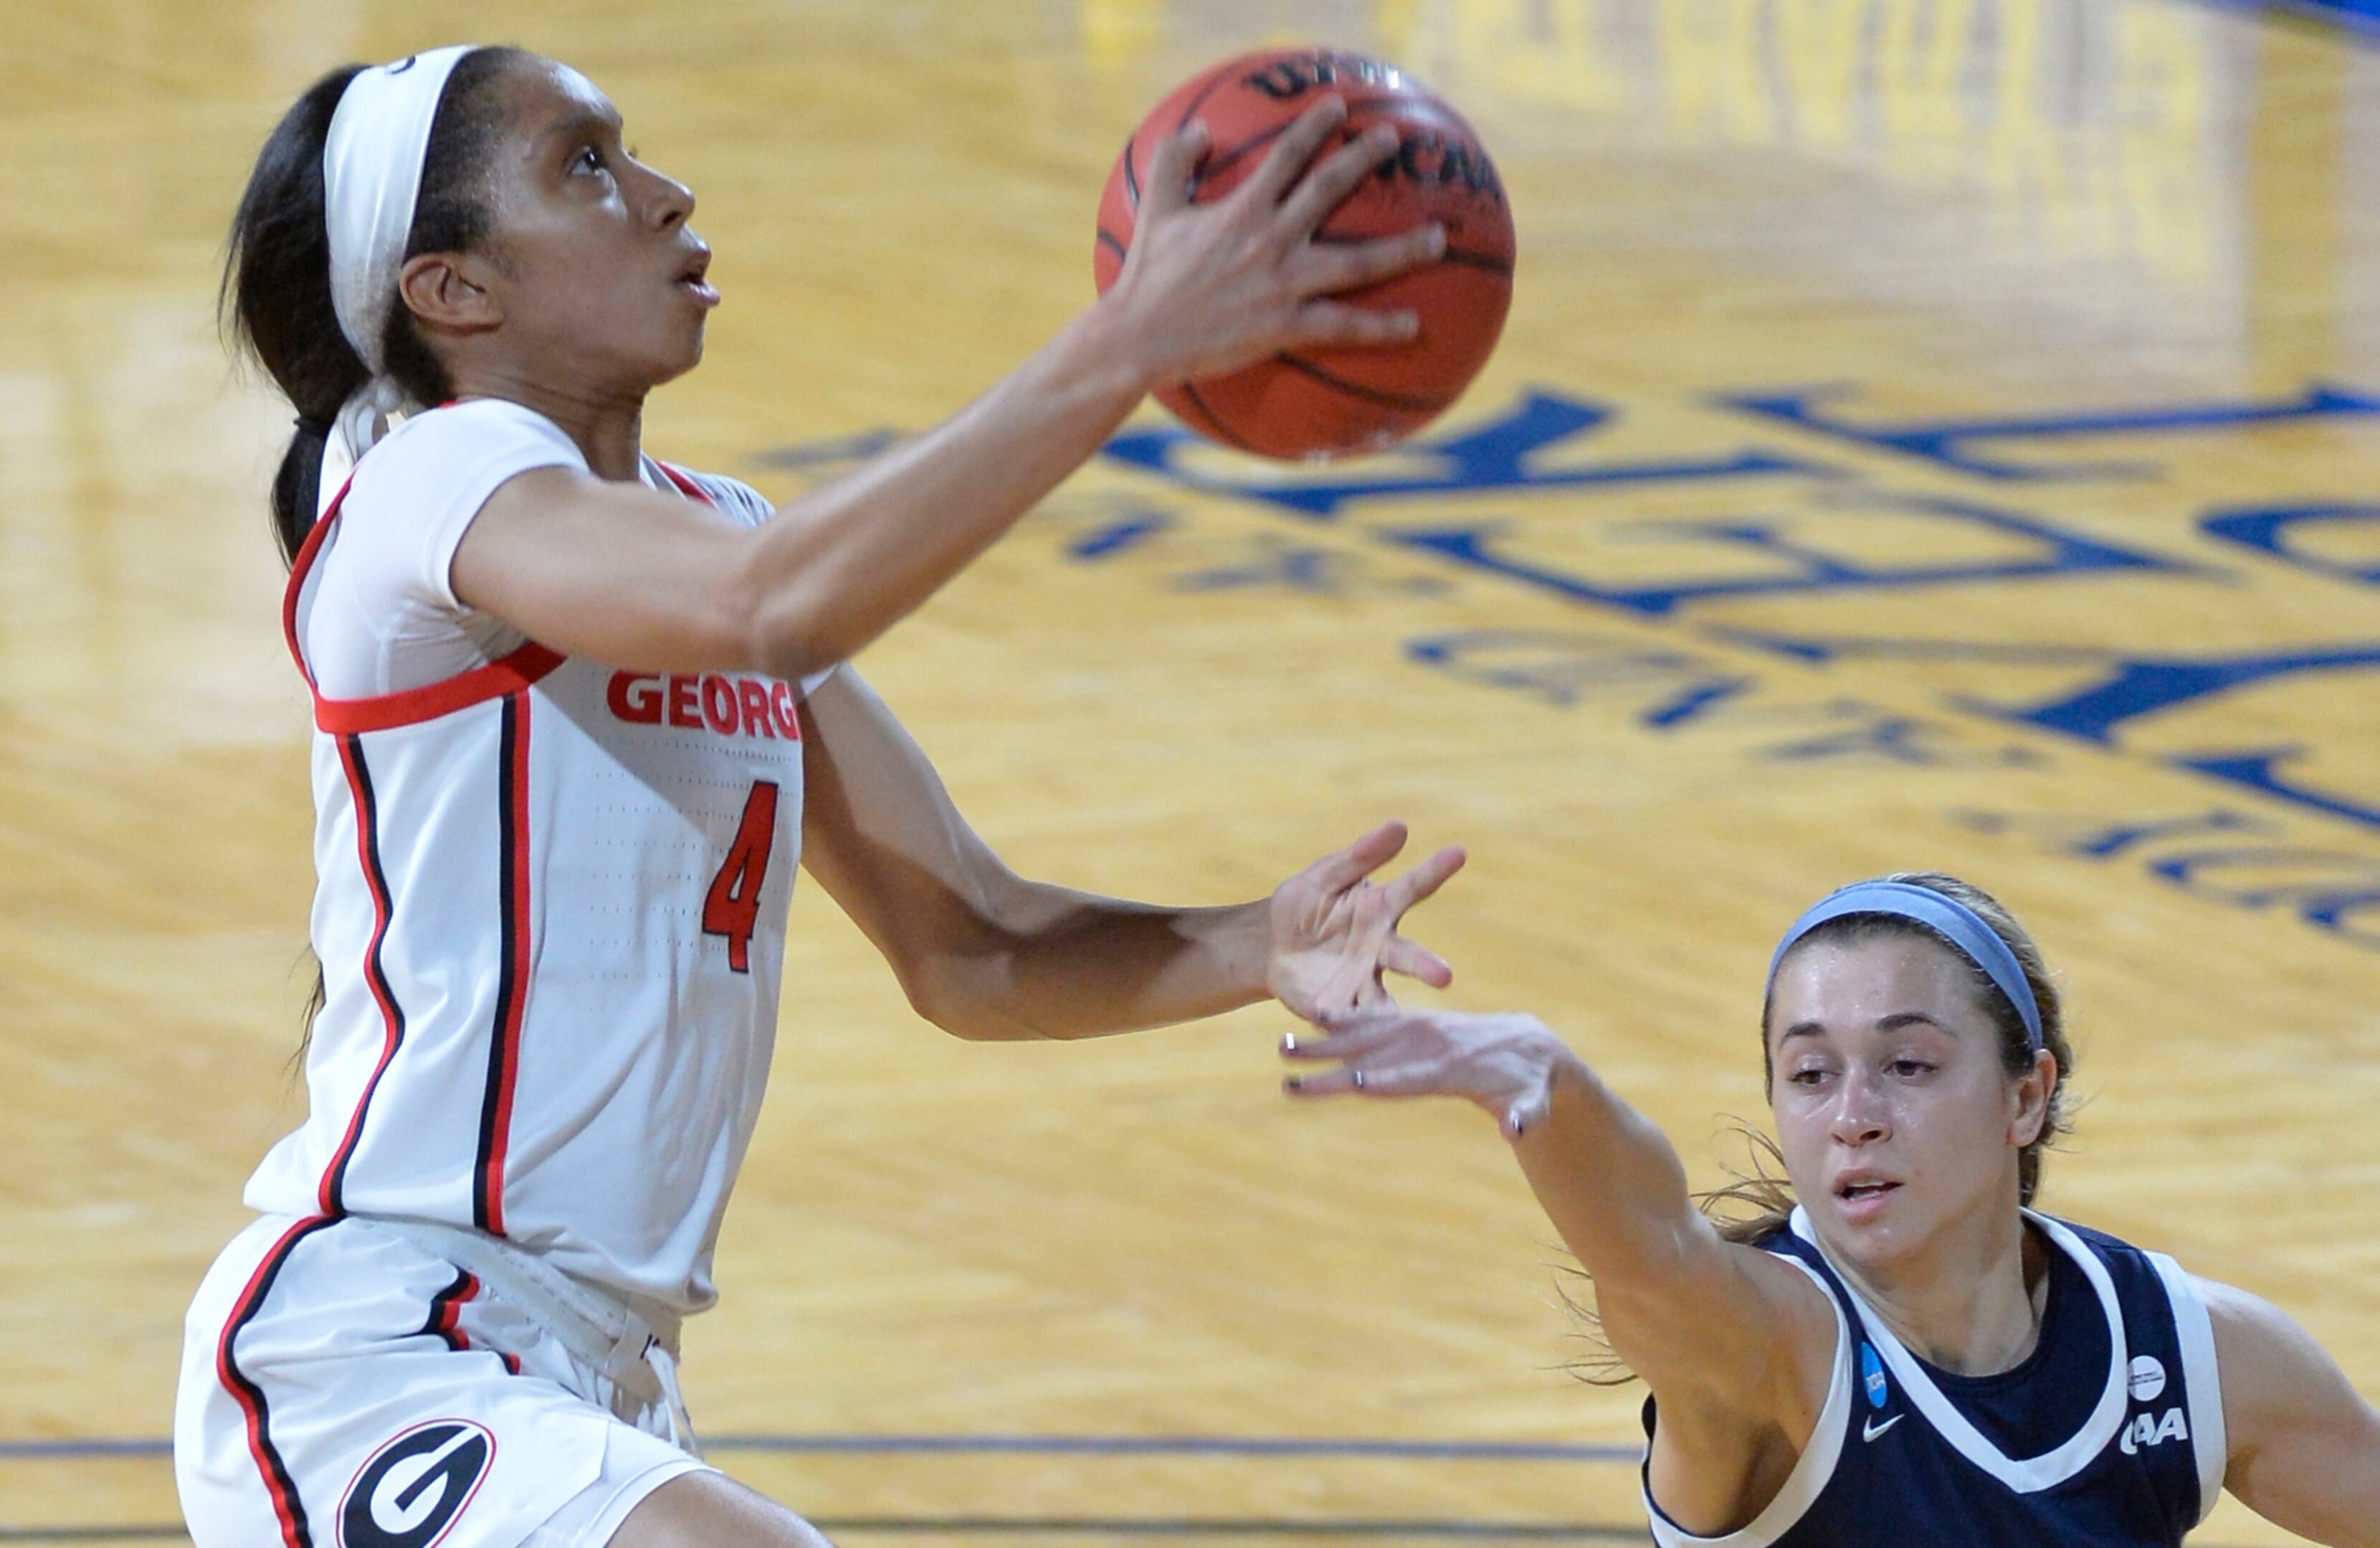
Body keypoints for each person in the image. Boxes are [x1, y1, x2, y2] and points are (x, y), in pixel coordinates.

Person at [178, 41, 1467, 1548]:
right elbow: (770, 609)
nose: (662, 195)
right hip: (388, 1350)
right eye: (585, 167)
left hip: (601, 1386)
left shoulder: (710, 533)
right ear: (453, 293)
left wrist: (1260, 945)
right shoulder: (422, 484)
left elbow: (974, 945)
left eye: (632, 151)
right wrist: (1127, 345)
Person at [1286, 871, 2380, 1545]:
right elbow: (1654, 1249)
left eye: (1906, 1065)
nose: (1852, 1116)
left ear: (2025, 1097)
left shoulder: (2189, 1352)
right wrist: (1545, 1087)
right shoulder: (1775, 1349)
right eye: (1810, 1075)